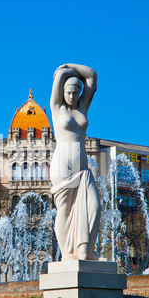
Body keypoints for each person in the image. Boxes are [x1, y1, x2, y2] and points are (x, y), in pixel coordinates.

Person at [50, 63, 101, 260]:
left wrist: (70, 65)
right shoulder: (57, 107)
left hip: (82, 167)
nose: (71, 97)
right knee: (64, 208)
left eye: (75, 93)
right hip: (63, 163)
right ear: (62, 91)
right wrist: (64, 71)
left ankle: (85, 250)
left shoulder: (82, 107)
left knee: (94, 207)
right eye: (68, 93)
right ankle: (67, 253)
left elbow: (92, 77)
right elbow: (59, 75)